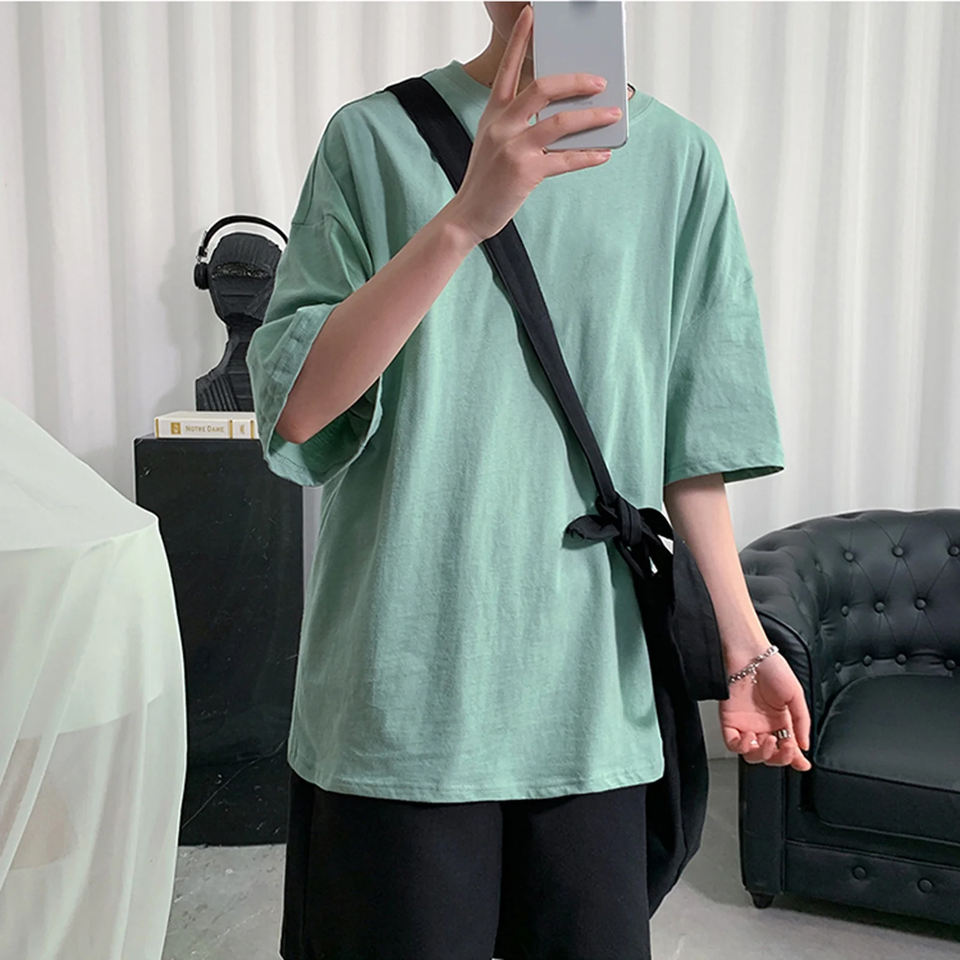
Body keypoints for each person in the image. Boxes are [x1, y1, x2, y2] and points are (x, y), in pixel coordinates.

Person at [246, 3, 812, 958]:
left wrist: (745, 649)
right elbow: (297, 409)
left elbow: (692, 446)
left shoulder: (679, 162)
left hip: (590, 692)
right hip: (402, 690)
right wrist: (465, 217)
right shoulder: (372, 139)